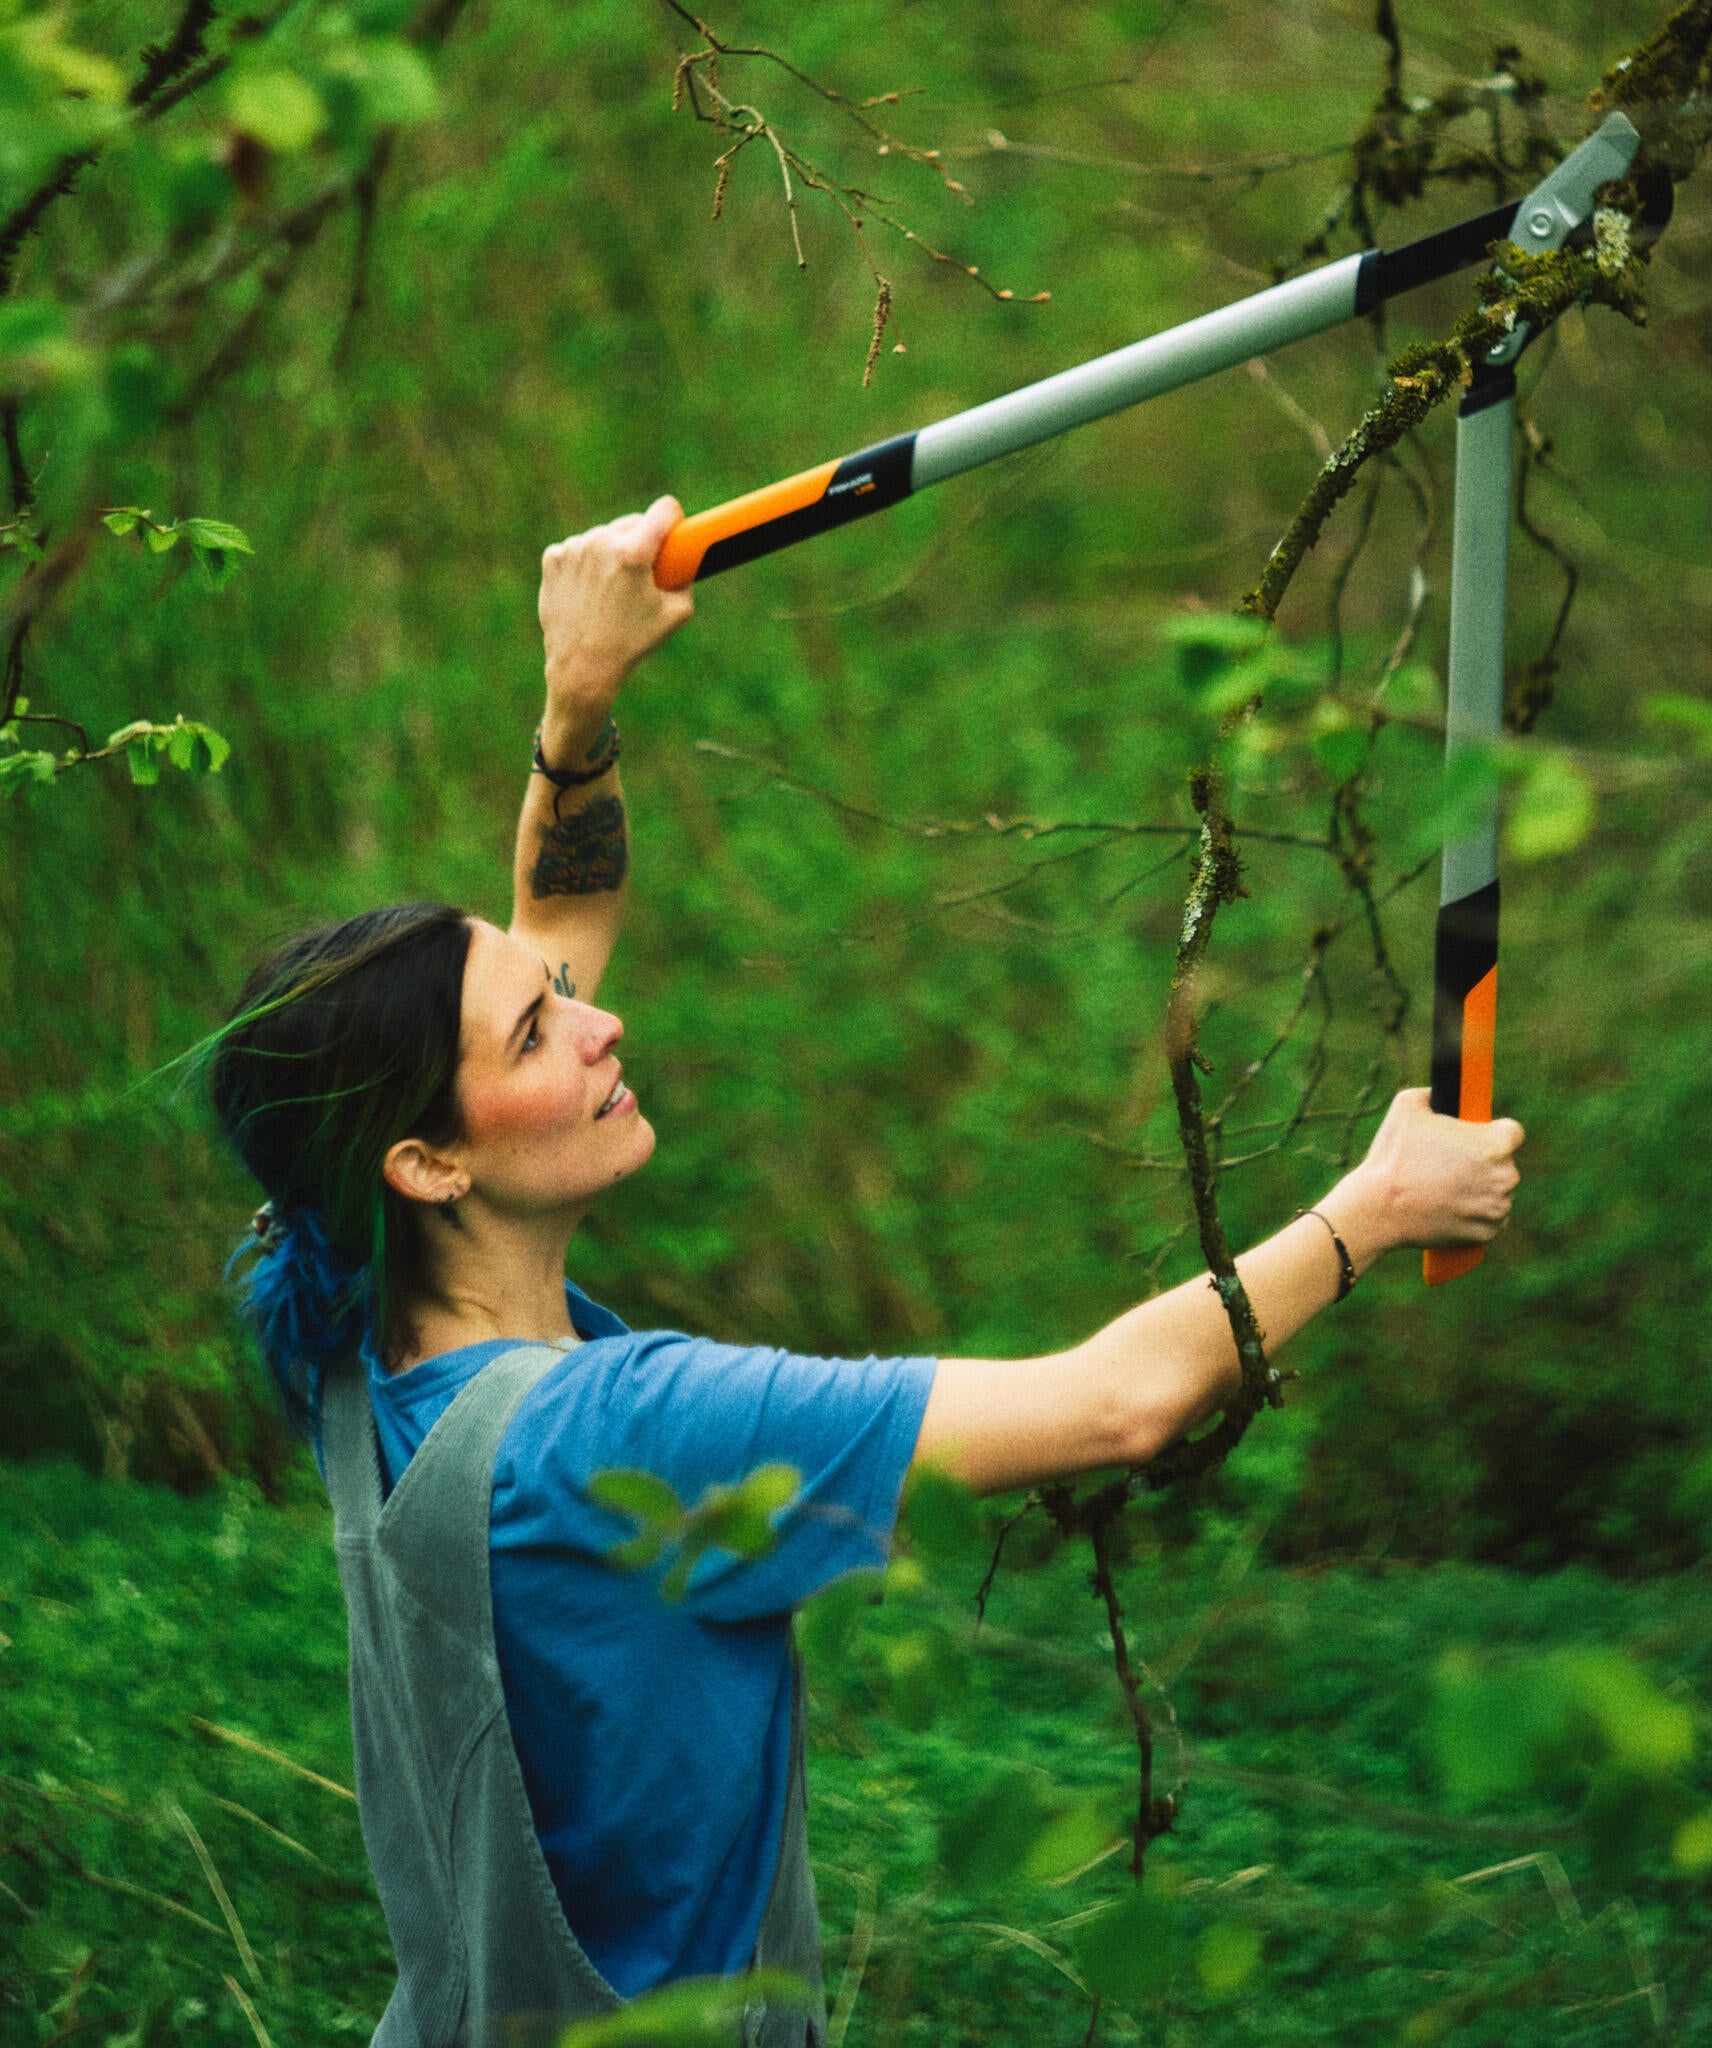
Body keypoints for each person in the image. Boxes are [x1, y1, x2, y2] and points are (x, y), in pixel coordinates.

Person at [206, 497, 1523, 2046]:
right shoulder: (635, 1434)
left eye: (556, 999)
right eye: (535, 1032)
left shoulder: (340, 1334)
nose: (597, 1018)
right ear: (426, 1164)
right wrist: (1374, 1210)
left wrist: (581, 702)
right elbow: (1118, 1407)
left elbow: (556, 924)